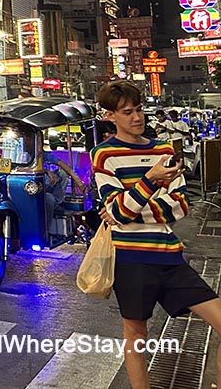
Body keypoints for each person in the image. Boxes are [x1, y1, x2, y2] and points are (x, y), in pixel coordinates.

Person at [93, 80, 221, 389]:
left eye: (138, 110)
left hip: (170, 256)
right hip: (130, 260)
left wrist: (130, 205)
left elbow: (179, 207)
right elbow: (118, 213)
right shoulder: (104, 156)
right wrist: (150, 181)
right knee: (136, 336)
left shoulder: (164, 151)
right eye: (127, 112)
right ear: (110, 116)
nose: (137, 117)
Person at [42, 149, 86, 222]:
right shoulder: (21, 151)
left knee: (63, 172)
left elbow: (60, 162)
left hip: (49, 184)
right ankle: (55, 208)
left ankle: (56, 203)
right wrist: (46, 171)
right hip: (37, 187)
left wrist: (77, 179)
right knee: (49, 198)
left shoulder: (42, 154)